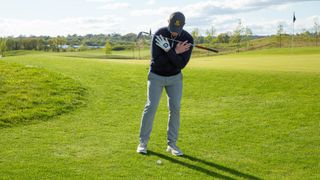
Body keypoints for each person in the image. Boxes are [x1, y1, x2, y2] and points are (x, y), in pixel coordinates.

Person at [137, 12, 194, 156]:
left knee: (175, 108)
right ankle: (142, 143)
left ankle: (172, 145)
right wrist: (175, 51)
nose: (174, 33)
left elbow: (181, 64)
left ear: (183, 26)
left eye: (178, 30)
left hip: (175, 78)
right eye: (172, 30)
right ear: (167, 22)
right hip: (156, 76)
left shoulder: (187, 39)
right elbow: (158, 61)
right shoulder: (159, 34)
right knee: (151, 107)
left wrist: (168, 50)